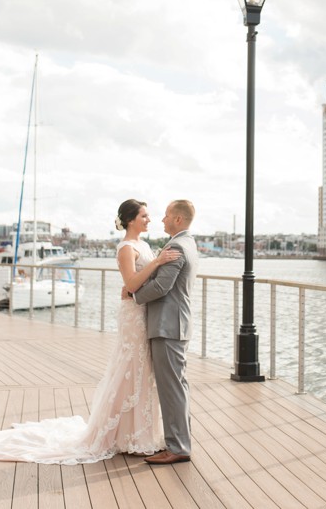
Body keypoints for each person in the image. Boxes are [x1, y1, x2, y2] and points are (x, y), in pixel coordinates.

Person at [0, 199, 179, 464]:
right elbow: (132, 284)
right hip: (134, 316)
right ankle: (122, 434)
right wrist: (157, 262)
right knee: (130, 368)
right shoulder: (126, 248)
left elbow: (143, 281)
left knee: (143, 371)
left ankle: (139, 432)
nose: (149, 219)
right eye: (144, 215)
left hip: (144, 311)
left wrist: (156, 266)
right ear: (132, 219)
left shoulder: (144, 245)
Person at [129, 199, 198, 465]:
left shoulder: (177, 246)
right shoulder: (188, 242)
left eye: (167, 215)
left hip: (168, 325)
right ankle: (179, 441)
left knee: (172, 388)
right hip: (176, 324)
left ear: (178, 220)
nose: (162, 219)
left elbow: (161, 287)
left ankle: (178, 447)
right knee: (177, 387)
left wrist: (133, 294)